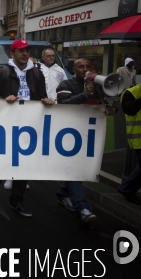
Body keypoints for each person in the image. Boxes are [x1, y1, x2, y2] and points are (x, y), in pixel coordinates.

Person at [0, 39, 53, 217]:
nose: (24, 54)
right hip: (7, 124)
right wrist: (3, 98)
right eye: (21, 51)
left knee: (24, 165)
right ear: (12, 54)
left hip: (29, 124)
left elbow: (41, 96)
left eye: (27, 51)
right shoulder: (3, 72)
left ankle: (17, 201)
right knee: (3, 160)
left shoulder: (37, 73)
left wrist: (46, 101)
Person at [55, 58, 103, 223]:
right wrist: (83, 95)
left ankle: (63, 193)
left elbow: (102, 105)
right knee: (74, 169)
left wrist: (110, 109)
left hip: (90, 134)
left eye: (88, 66)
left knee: (78, 166)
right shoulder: (66, 85)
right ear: (73, 70)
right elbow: (63, 104)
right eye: (80, 67)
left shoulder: (98, 86)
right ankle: (82, 207)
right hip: (69, 134)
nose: (85, 69)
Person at [118, 82, 141, 205]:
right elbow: (129, 109)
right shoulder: (131, 92)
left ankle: (126, 189)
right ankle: (127, 189)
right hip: (139, 138)